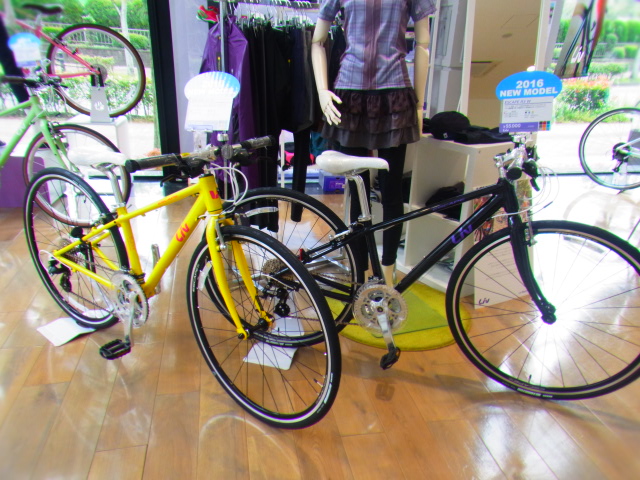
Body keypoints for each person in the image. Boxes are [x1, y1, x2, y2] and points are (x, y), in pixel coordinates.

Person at [311, 0, 436, 286]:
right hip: (349, 96)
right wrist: (321, 91)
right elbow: (317, 41)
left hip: (395, 95)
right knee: (358, 192)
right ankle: (359, 272)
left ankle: (388, 274)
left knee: (392, 191)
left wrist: (418, 106)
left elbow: (423, 44)